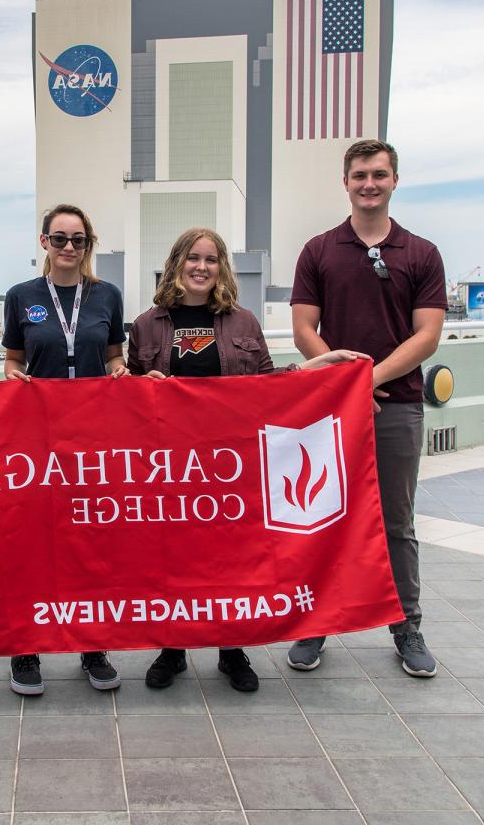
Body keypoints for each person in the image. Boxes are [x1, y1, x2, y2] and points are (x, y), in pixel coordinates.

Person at [127, 227, 368, 692]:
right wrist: (140, 386)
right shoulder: (146, 324)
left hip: (231, 466)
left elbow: (268, 388)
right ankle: (172, 648)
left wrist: (322, 364)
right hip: (170, 467)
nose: (201, 267)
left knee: (229, 559)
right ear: (177, 263)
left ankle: (231, 649)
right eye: (193, 258)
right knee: (172, 558)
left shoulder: (243, 323)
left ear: (222, 269)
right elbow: (126, 400)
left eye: (211, 260)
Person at [285, 139, 447, 678]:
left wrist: (368, 380)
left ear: (394, 180)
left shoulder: (421, 253)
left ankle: (407, 626)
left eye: (379, 174)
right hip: (329, 412)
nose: (368, 183)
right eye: (359, 175)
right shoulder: (320, 250)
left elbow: (427, 336)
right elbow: (304, 327)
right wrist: (343, 384)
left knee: (396, 524)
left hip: (396, 408)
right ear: (346, 181)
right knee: (322, 519)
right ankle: (315, 623)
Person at [0, 203, 127, 696]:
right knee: (35, 542)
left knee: (90, 542)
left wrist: (118, 372)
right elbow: (13, 359)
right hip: (39, 440)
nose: (69, 248)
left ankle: (92, 645)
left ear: (88, 244)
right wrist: (14, 377)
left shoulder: (106, 295)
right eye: (60, 239)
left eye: (78, 240)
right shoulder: (21, 296)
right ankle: (26, 647)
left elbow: (113, 355)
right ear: (44, 243)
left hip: (95, 440)